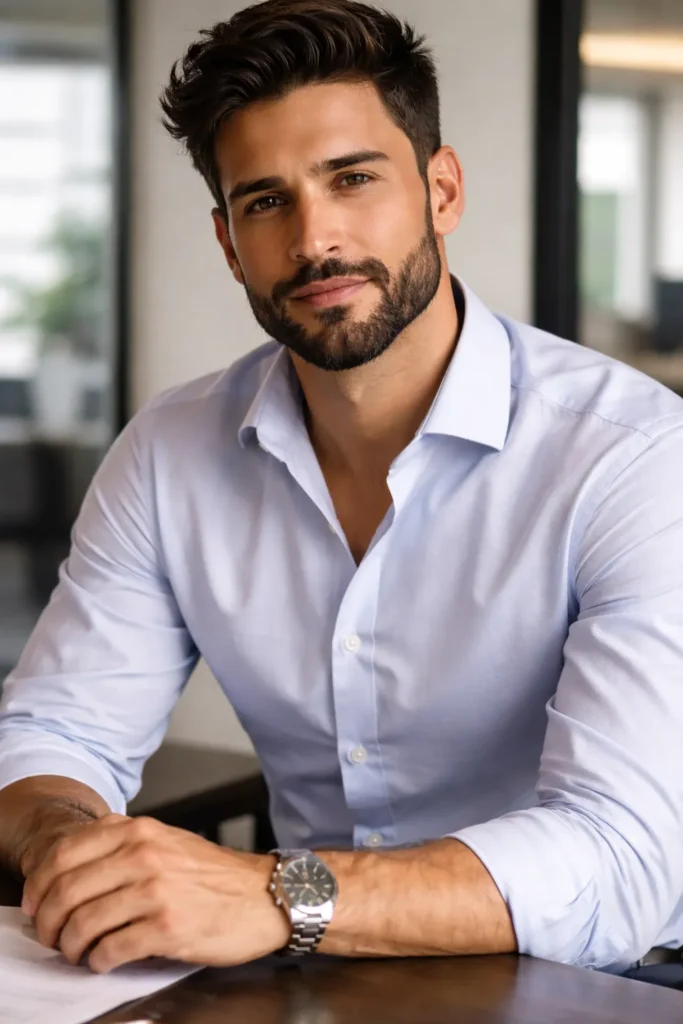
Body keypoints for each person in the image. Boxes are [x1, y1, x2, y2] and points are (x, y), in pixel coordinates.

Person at [0, 0, 681, 984]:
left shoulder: (633, 457)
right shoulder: (167, 453)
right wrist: (72, 847)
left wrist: (275, 894)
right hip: (310, 970)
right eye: (264, 201)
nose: (314, 239)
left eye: (352, 179)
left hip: (603, 976)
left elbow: (619, 861)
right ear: (229, 243)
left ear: (440, 190)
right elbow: (51, 734)